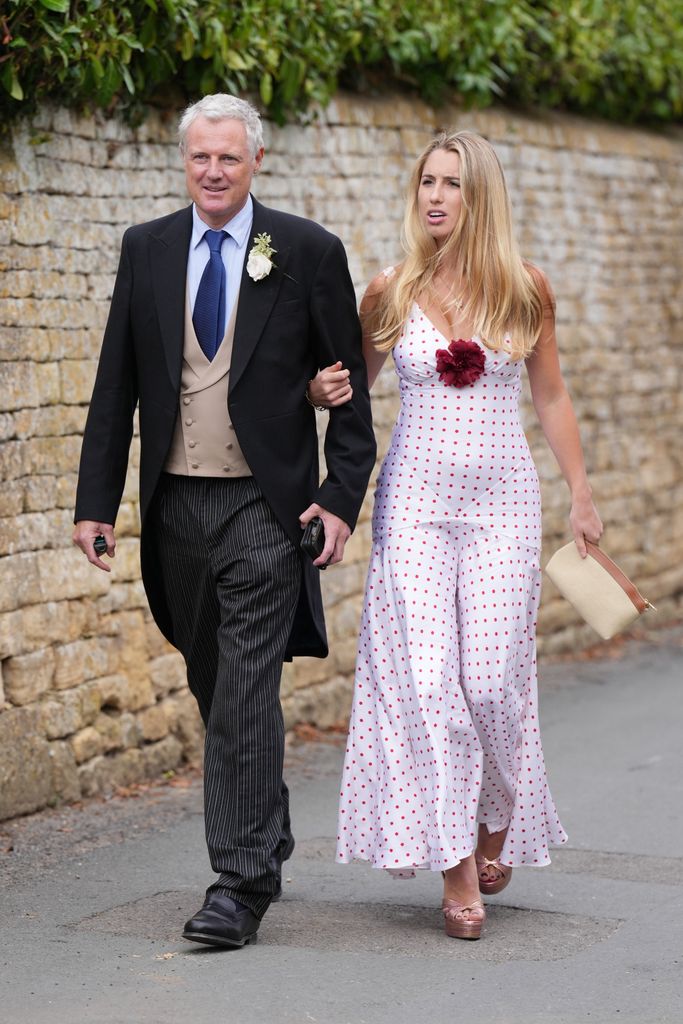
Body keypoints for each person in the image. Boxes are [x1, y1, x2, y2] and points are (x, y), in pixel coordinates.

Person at [72, 94, 376, 949]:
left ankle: (238, 885)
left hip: (262, 503)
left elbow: (347, 396)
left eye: (228, 159)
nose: (212, 171)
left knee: (244, 689)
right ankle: (265, 829)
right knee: (216, 685)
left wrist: (338, 499)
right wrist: (96, 504)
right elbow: (115, 386)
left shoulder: (308, 252)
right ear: (185, 162)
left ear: (256, 163)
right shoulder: (148, 248)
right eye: (200, 157)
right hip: (176, 506)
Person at [308, 130, 602, 940]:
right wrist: (316, 387)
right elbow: (352, 394)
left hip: (503, 506)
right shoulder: (389, 290)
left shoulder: (524, 290)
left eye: (453, 185)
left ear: (481, 198)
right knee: (431, 685)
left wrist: (580, 494)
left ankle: (497, 818)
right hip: (413, 508)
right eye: (426, 183)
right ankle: (457, 870)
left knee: (492, 685)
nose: (435, 197)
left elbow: (549, 398)